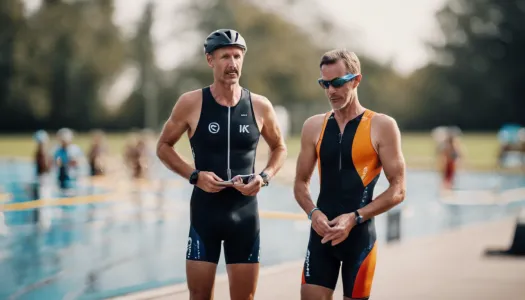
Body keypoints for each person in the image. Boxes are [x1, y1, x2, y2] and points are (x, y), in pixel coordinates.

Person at [156, 29, 287, 300]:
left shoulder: (260, 106)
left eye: (237, 56)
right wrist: (194, 176)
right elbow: (163, 147)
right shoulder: (191, 102)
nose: (233, 63)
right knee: (199, 296)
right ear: (210, 60)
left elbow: (280, 148)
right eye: (225, 56)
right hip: (206, 214)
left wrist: (264, 177)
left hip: (244, 215)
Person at [294, 49, 406, 300]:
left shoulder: (382, 125)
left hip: (359, 238)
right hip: (321, 235)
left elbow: (398, 189)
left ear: (356, 80)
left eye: (337, 83)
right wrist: (313, 213)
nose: (331, 91)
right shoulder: (314, 126)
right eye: (325, 84)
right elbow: (300, 183)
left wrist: (355, 218)